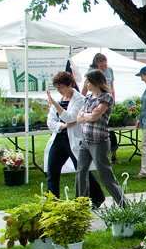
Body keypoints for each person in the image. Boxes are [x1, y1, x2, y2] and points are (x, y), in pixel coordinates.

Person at [44, 71, 105, 208]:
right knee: (52, 170)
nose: (59, 91)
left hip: (74, 140)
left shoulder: (79, 99)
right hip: (59, 139)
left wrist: (54, 104)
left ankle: (98, 196)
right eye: (57, 88)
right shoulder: (59, 101)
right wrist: (63, 126)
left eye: (61, 87)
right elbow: (51, 122)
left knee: (82, 170)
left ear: (70, 84)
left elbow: (71, 117)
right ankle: (52, 203)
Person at [75, 70, 125, 207]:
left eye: (88, 82)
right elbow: (79, 118)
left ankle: (122, 204)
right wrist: (87, 114)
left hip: (99, 141)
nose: (86, 84)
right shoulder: (89, 97)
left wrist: (86, 115)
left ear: (95, 82)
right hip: (86, 140)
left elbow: (93, 117)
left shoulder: (106, 97)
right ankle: (80, 206)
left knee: (105, 175)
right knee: (81, 172)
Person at [83, 53, 119, 163]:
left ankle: (113, 154)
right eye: (101, 66)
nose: (104, 68)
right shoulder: (91, 72)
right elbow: (85, 89)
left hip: (106, 100)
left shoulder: (110, 71)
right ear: (96, 65)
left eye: (105, 65)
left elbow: (112, 86)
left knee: (108, 128)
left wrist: (114, 99)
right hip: (96, 100)